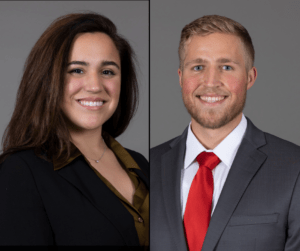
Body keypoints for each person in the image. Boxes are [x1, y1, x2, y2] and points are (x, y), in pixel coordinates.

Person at [150, 15, 300, 251]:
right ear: (181, 77)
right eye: (198, 67)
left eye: (226, 67)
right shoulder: (147, 166)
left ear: (250, 77)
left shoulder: (294, 168)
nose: (211, 82)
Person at [0, 12, 149, 248]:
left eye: (108, 71)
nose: (94, 86)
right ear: (47, 79)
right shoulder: (21, 171)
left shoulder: (141, 165)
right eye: (77, 70)